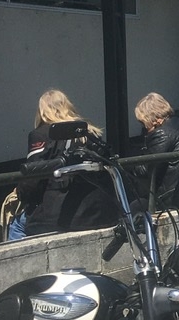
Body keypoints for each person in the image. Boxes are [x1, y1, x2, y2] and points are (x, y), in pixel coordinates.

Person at [12, 89, 118, 239]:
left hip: (62, 213)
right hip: (96, 211)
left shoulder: (41, 134)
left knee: (16, 225)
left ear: (42, 110)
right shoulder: (90, 132)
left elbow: (33, 178)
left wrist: (20, 194)